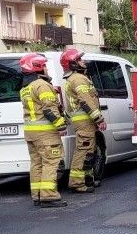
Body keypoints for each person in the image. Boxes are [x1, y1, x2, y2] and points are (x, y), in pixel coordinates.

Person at [18, 52, 67, 208]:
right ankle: (48, 195)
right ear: (38, 67)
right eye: (44, 65)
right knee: (51, 162)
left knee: (36, 164)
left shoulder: (25, 88)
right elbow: (49, 108)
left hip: (31, 133)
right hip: (46, 133)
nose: (46, 68)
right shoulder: (42, 85)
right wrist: (61, 124)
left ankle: (37, 195)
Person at [60, 47, 106, 193]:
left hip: (83, 121)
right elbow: (86, 101)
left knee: (89, 151)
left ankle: (87, 180)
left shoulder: (74, 78)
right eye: (79, 59)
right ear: (73, 63)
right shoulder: (79, 79)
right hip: (85, 121)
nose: (83, 61)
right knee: (83, 151)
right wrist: (98, 118)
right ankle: (77, 183)